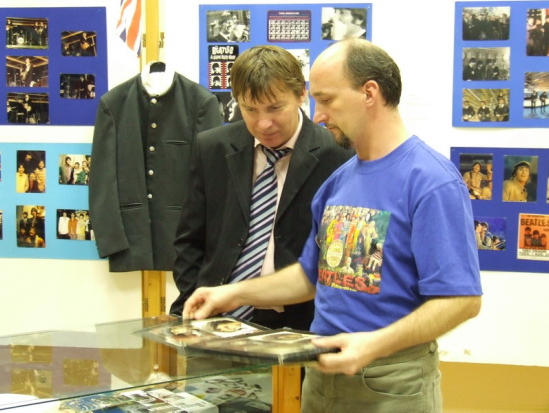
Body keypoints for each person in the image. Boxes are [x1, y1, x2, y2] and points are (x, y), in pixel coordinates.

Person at [182, 39, 482, 412]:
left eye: (326, 100)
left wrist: (375, 344)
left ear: (369, 93)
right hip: (322, 374)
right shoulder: (339, 181)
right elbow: (310, 277)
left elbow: (462, 300)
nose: (319, 116)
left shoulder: (431, 181)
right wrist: (232, 294)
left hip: (390, 381)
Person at [170, 45, 353, 331]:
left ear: (301, 95)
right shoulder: (212, 147)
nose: (263, 123)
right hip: (218, 316)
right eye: (250, 110)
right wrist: (195, 297)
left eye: (275, 108)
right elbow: (190, 240)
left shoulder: (339, 155)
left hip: (301, 321)